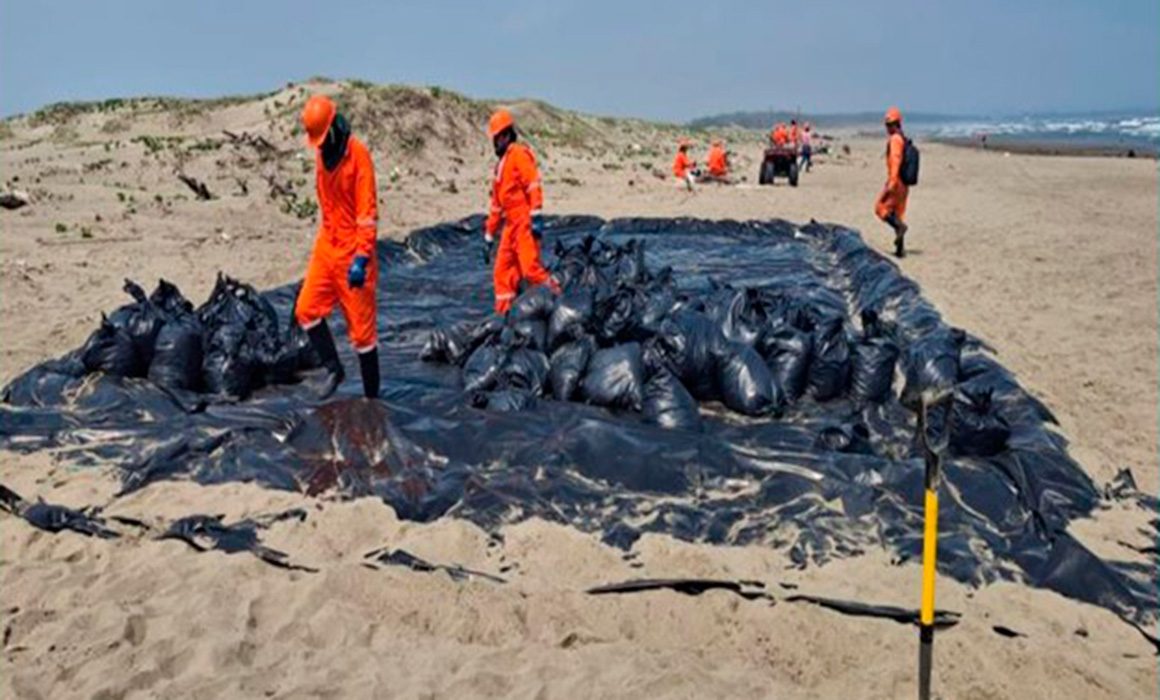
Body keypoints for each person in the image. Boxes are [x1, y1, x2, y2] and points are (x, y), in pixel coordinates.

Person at [294, 94, 381, 398]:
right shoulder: (322, 154)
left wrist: (361, 257)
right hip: (327, 246)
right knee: (306, 310)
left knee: (362, 335)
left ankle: (372, 399)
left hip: (353, 252)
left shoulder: (358, 156)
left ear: (333, 128)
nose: (318, 146)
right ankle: (334, 368)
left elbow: (367, 213)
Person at [484, 108, 559, 316]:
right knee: (502, 271)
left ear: (507, 135)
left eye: (497, 138)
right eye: (494, 139)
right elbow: (496, 206)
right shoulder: (501, 166)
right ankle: (504, 314)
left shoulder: (518, 155)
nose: (495, 143)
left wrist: (536, 216)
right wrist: (489, 235)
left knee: (530, 270)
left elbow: (532, 185)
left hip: (524, 222)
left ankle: (558, 298)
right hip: (510, 226)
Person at [875, 106, 910, 258]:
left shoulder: (895, 140)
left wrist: (892, 183)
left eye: (889, 125)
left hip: (896, 182)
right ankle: (900, 250)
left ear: (896, 124)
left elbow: (896, 160)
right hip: (904, 184)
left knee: (880, 208)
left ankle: (900, 228)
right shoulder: (903, 138)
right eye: (886, 125)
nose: (887, 128)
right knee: (898, 213)